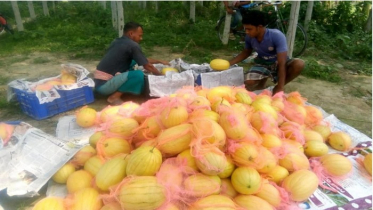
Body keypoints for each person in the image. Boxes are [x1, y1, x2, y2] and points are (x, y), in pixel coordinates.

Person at [228, 10, 305, 95]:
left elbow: (281, 63)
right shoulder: (249, 37)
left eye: (249, 29)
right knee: (249, 82)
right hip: (263, 63)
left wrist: (280, 87)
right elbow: (246, 52)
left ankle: (278, 86)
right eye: (245, 29)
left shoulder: (277, 36)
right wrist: (229, 63)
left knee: (299, 64)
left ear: (260, 27)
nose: (246, 32)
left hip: (278, 63)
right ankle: (262, 83)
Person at [94, 22, 169, 105]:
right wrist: (161, 76)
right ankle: (114, 97)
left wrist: (160, 61)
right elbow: (148, 66)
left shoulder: (117, 41)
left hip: (98, 82)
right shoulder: (133, 45)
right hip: (104, 86)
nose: (141, 38)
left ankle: (122, 88)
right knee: (138, 75)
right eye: (139, 35)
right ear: (131, 33)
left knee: (133, 62)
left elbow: (143, 59)